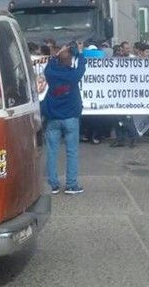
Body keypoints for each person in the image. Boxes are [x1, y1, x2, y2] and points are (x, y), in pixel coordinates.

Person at [43, 43, 87, 195]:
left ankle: (52, 184)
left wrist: (56, 54)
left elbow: (49, 65)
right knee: (72, 152)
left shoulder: (50, 73)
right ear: (70, 61)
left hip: (53, 117)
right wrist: (80, 52)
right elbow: (82, 65)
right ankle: (71, 184)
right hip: (71, 118)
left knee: (51, 151)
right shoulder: (73, 75)